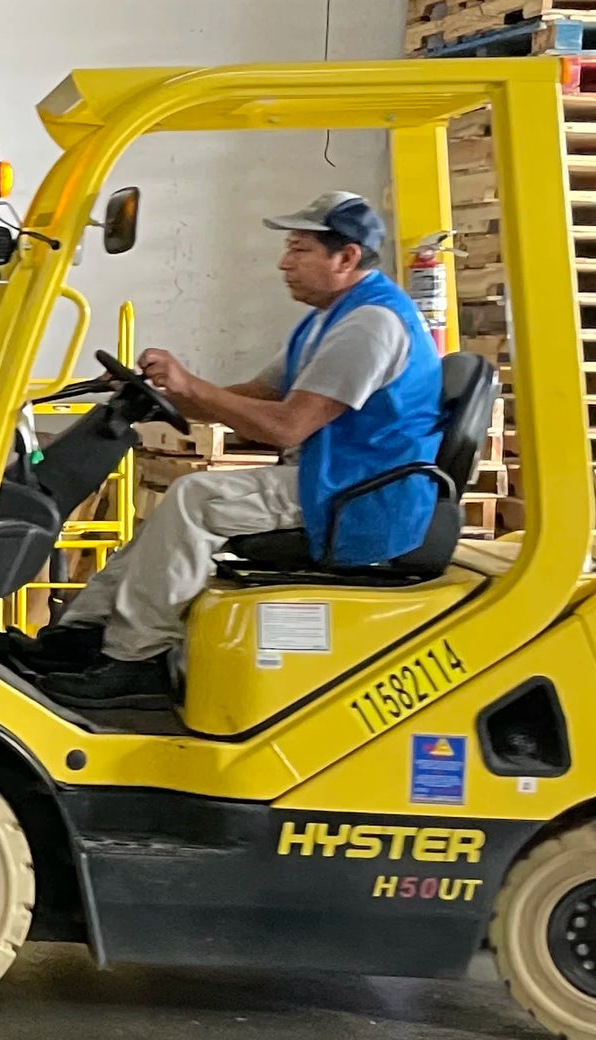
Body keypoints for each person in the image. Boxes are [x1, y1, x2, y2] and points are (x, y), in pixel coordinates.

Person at [32, 190, 443, 706]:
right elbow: (252, 399)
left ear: (347, 257)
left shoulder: (371, 325)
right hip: (331, 477)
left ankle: (137, 660)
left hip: (357, 495)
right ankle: (82, 634)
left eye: (299, 250)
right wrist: (167, 392)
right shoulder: (328, 319)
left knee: (194, 500)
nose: (283, 262)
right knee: (177, 512)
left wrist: (192, 387)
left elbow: (288, 426)